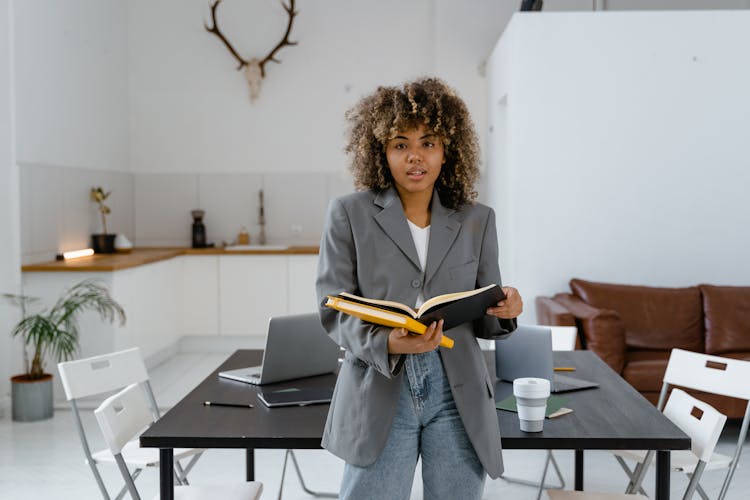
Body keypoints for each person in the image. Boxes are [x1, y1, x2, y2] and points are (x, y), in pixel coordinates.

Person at [316, 77, 523, 500]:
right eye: (400, 144)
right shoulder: (348, 214)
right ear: (380, 151)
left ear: (448, 150)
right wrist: (387, 344)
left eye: (429, 142)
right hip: (379, 384)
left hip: (457, 391)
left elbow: (484, 313)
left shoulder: (477, 219)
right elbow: (333, 308)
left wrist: (506, 310)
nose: (415, 156)